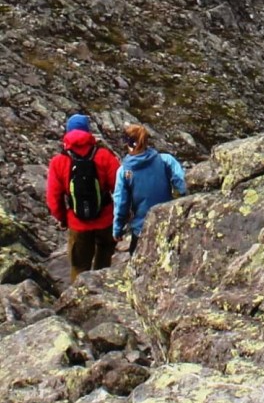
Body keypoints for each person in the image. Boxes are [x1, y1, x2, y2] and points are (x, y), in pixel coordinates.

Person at [46, 114, 121, 282]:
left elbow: (53, 197)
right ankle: (103, 293)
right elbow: (119, 186)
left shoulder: (59, 162)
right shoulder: (103, 156)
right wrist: (120, 213)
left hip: (78, 223)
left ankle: (80, 299)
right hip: (105, 220)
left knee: (79, 266)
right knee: (105, 258)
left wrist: (63, 219)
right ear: (88, 132)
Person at [112, 123, 188, 252]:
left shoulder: (123, 171)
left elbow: (121, 204)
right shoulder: (165, 160)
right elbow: (183, 186)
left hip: (141, 228)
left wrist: (117, 229)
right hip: (167, 222)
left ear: (128, 144)